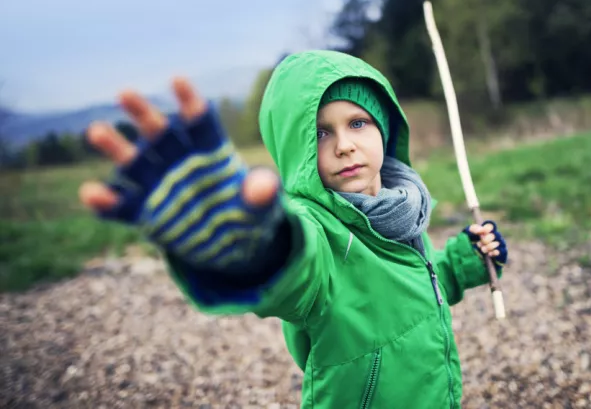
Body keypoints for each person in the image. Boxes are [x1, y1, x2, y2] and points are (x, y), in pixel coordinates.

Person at [79, 49, 509, 408]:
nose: (344, 144)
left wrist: (462, 261)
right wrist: (259, 253)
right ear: (297, 149)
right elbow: (296, 273)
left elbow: (414, 287)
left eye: (358, 123)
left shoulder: (400, 209)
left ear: (385, 128)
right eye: (321, 133)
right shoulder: (316, 233)